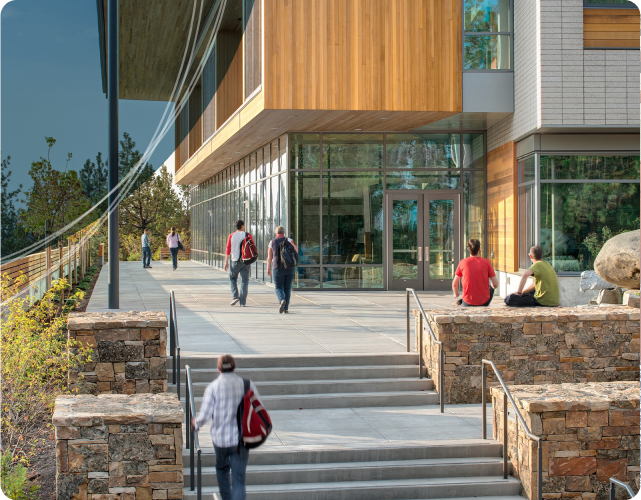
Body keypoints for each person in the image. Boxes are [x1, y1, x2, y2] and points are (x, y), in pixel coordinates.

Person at [192, 354, 262, 500]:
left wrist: (196, 423)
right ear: (234, 367)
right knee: (238, 479)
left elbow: (205, 414)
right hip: (241, 439)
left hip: (220, 440)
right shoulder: (246, 384)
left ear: (218, 369)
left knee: (222, 470)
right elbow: (258, 407)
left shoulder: (213, 387)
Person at [452, 239, 498, 307]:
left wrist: (456, 294)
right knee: (490, 287)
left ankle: (462, 300)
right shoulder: (486, 262)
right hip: (484, 302)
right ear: (479, 249)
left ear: (468, 249)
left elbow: (455, 284)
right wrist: (491, 288)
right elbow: (495, 284)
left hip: (467, 302)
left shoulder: (463, 262)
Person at [267, 226, 298, 314]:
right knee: (287, 288)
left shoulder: (272, 242)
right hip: (290, 267)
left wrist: (268, 268)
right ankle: (286, 308)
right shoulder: (289, 240)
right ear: (283, 233)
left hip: (277, 268)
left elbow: (269, 258)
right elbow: (296, 250)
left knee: (278, 287)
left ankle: (281, 300)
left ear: (276, 234)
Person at [225, 220, 254, 307]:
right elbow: (252, 246)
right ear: (242, 226)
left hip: (234, 261)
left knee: (232, 278)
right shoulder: (247, 235)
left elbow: (228, 250)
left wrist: (226, 262)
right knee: (245, 281)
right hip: (245, 261)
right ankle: (243, 302)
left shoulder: (231, 236)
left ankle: (235, 297)